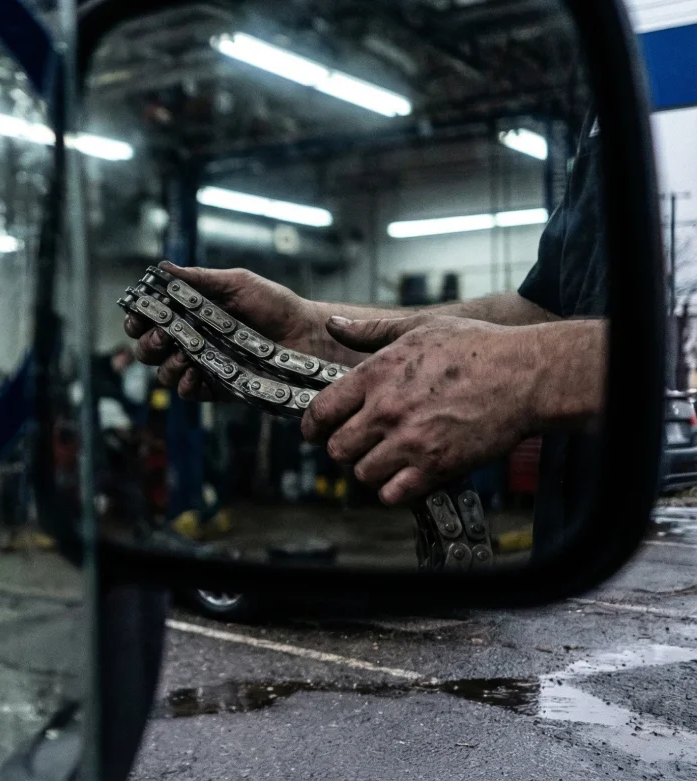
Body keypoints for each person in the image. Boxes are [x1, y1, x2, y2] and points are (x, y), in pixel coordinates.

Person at [126, 111, 608, 561]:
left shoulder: (633, 89)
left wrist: (519, 373)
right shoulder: (597, 122)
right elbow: (548, 312)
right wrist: (312, 332)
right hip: (570, 552)